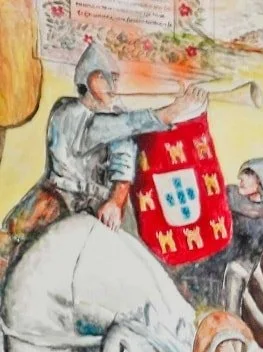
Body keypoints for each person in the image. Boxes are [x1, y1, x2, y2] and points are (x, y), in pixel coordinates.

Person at [0, 44, 207, 275]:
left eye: (116, 79)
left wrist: (116, 201)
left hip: (99, 204)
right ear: (93, 80)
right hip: (59, 198)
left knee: (141, 263)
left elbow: (124, 154)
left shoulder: (114, 115)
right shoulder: (68, 112)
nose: (115, 86)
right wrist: (170, 112)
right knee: (12, 240)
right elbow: (117, 126)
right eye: (110, 78)